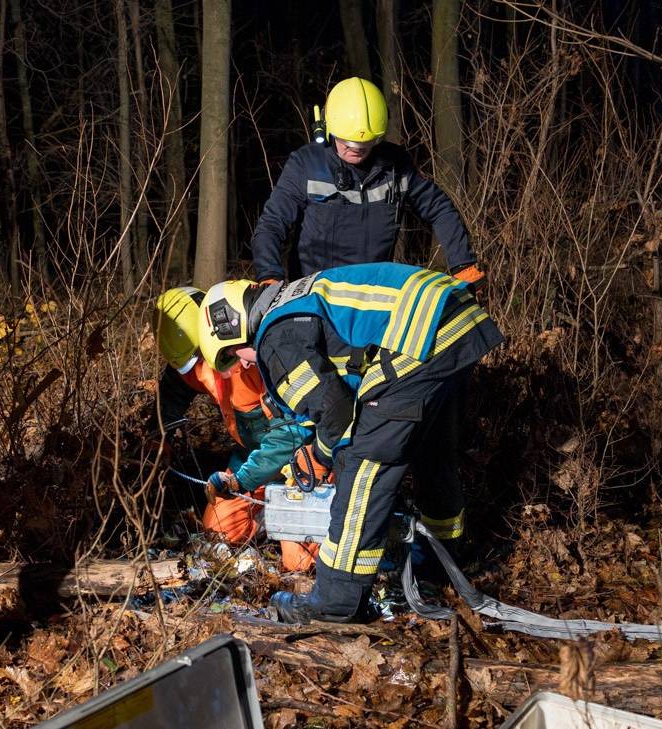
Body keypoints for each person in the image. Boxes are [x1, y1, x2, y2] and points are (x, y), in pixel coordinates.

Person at [195, 263, 503, 624]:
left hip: (418, 335)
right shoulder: (297, 301)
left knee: (362, 464)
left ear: (237, 326)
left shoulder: (274, 335)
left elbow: (337, 418)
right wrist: (314, 453)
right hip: (454, 320)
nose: (243, 365)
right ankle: (437, 565)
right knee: (432, 455)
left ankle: (335, 598)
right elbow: (329, 406)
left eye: (235, 355)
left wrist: (324, 456)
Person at [249, 77, 486, 289]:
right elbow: (272, 224)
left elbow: (439, 208)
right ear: (329, 128)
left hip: (374, 295)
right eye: (347, 143)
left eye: (365, 145)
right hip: (315, 294)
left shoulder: (395, 165)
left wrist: (462, 263)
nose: (356, 151)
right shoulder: (306, 165)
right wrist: (270, 277)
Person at [155, 287, 321, 570]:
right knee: (218, 532)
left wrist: (240, 481)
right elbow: (172, 390)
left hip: (302, 458)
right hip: (251, 457)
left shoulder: (253, 357)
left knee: (301, 562)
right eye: (189, 363)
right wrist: (162, 435)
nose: (198, 369)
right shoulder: (191, 364)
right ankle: (268, 516)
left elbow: (289, 435)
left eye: (199, 357)